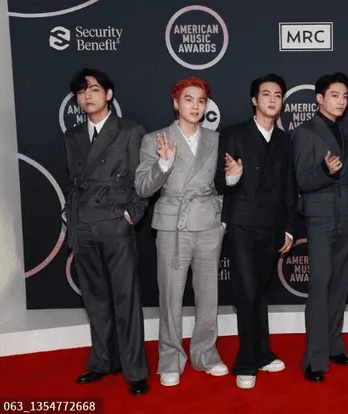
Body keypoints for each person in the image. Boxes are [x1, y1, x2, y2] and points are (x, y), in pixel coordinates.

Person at [135, 77, 229, 387]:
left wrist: (222, 212)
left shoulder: (216, 140)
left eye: (201, 101)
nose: (195, 106)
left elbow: (224, 182)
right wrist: (163, 164)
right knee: (171, 297)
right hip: (172, 225)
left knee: (208, 296)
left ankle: (206, 354)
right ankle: (171, 358)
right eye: (188, 99)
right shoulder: (155, 139)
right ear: (176, 103)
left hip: (208, 225)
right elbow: (142, 188)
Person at [63, 68, 149, 396]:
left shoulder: (130, 131)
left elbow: (141, 182)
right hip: (83, 224)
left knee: (126, 299)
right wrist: (73, 222)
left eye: (95, 89)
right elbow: (72, 182)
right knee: (95, 299)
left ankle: (134, 370)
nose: (88, 96)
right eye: (82, 91)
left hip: (116, 223)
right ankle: (101, 362)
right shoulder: (72, 136)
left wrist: (130, 215)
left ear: (109, 94)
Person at [214, 73, 296, 390]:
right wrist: (233, 176)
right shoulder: (233, 133)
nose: (272, 99)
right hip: (242, 226)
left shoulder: (286, 140)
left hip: (273, 228)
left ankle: (261, 352)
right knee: (246, 294)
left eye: (277, 94)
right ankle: (245, 362)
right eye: (266, 94)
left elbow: (290, 188)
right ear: (254, 100)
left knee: (259, 294)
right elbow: (219, 183)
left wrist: (289, 229)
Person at [292, 73, 348, 383]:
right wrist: (324, 170)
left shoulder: (344, 133)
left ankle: (333, 345)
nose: (341, 101)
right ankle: (314, 358)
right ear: (319, 98)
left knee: (340, 284)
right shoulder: (304, 132)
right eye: (334, 95)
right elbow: (302, 181)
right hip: (320, 217)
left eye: (344, 96)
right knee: (320, 286)